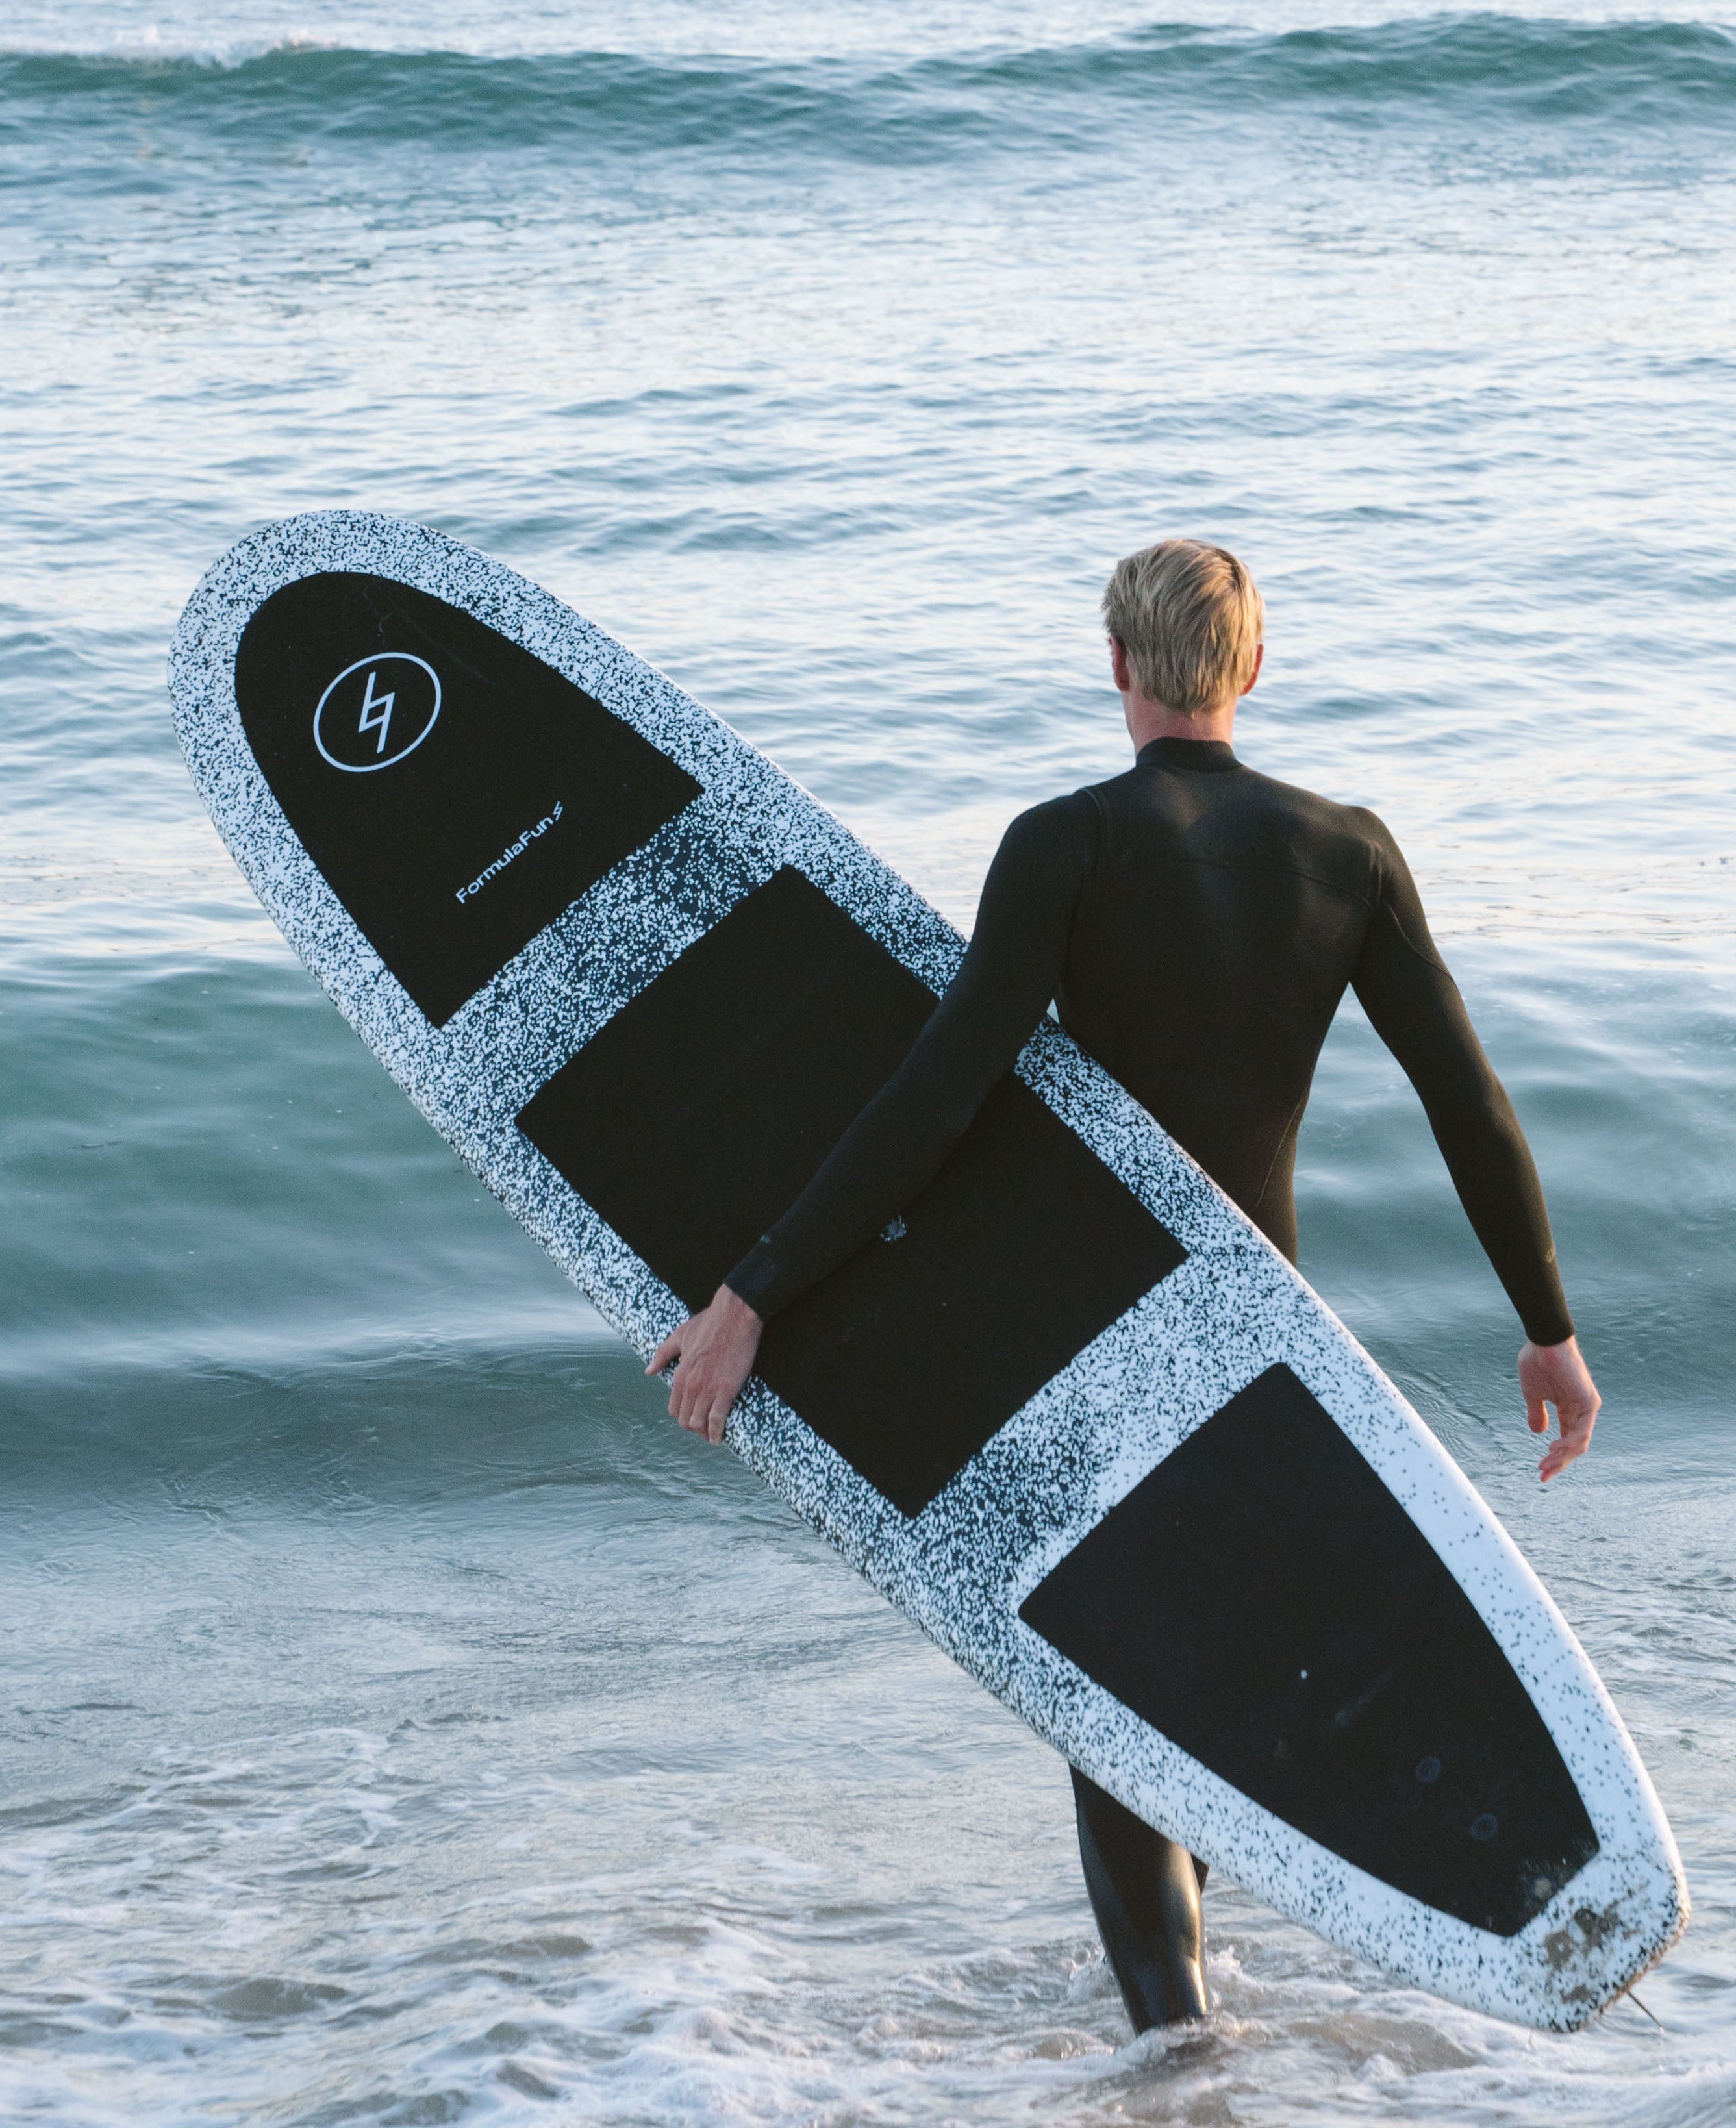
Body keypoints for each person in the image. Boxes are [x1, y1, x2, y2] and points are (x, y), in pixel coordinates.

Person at [648, 538, 1601, 2032]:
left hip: (1091, 1322)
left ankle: (1176, 2055)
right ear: (1253, 670)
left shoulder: (1064, 843)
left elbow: (939, 1097)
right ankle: (1193, 2038)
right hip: (1260, 1329)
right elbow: (1467, 1102)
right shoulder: (1348, 852)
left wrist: (758, 1288)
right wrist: (1546, 1329)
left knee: (1120, 1699)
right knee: (1208, 1671)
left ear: (1118, 668)